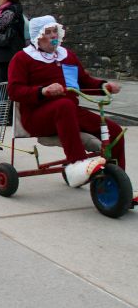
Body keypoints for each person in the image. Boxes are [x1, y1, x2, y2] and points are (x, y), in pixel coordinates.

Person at [7, 16, 124, 187]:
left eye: (55, 31)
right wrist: (43, 91)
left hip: (69, 112)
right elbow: (14, 91)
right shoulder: (22, 58)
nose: (54, 35)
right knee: (64, 105)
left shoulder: (67, 55)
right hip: (37, 117)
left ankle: (117, 182)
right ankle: (78, 164)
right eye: (48, 32)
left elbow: (84, 81)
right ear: (37, 36)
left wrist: (105, 86)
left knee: (115, 131)